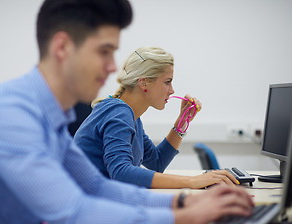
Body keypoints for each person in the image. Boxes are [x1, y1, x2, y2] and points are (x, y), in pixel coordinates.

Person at [0, 1, 253, 224]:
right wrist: (187, 216)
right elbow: (75, 216)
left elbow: (96, 186)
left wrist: (183, 202)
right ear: (62, 47)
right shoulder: (8, 116)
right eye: (104, 51)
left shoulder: (49, 118)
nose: (114, 67)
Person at [74, 47, 240, 189]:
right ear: (144, 83)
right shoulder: (119, 113)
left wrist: (183, 121)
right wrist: (191, 181)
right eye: (167, 82)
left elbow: (156, 162)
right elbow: (121, 172)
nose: (172, 90)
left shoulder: (131, 115)